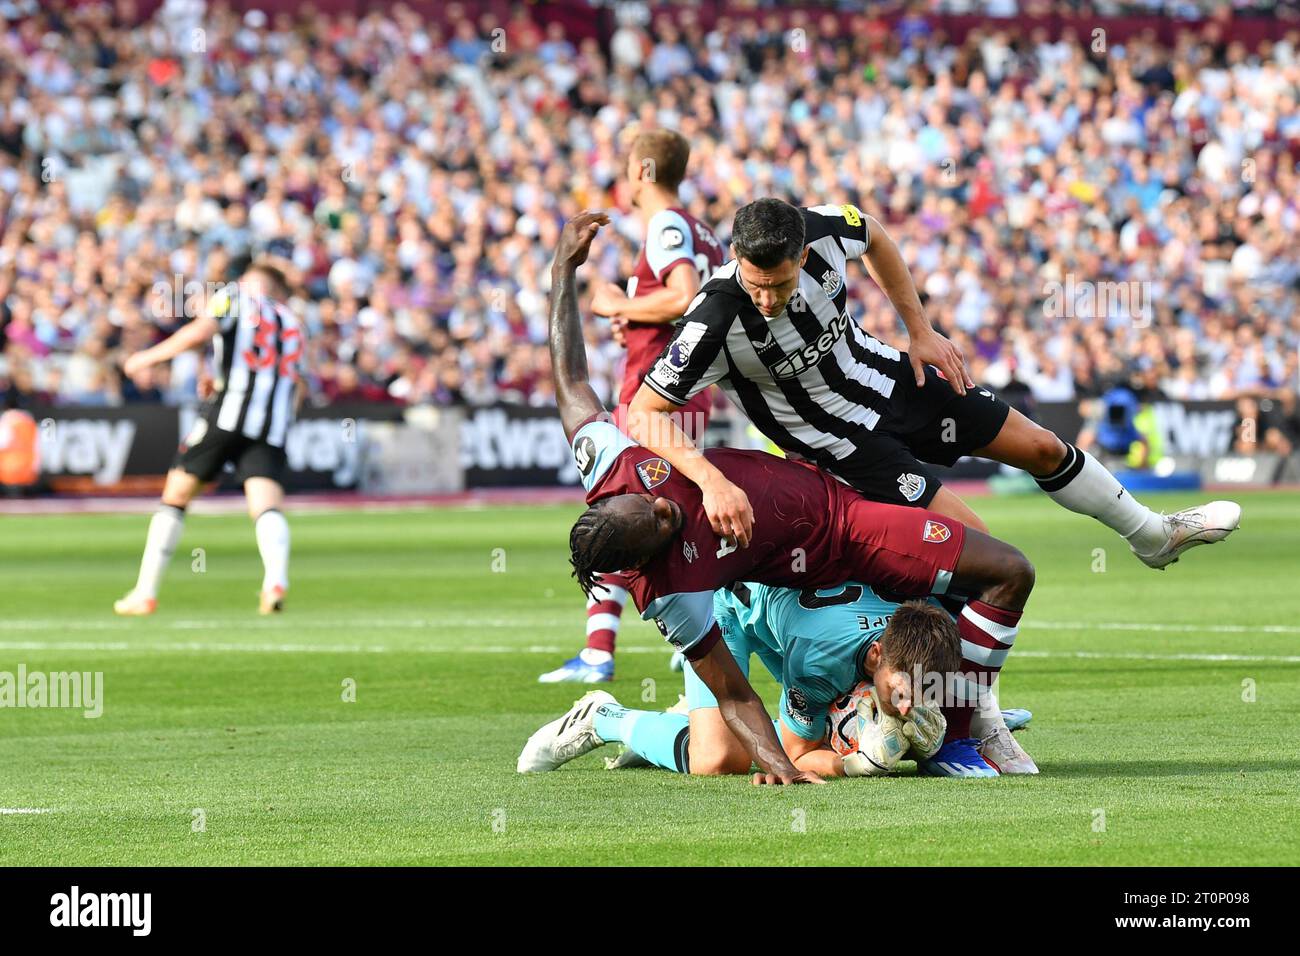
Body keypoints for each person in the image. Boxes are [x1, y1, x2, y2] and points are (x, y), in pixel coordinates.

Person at [532, 211, 1036, 785]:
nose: (664, 504)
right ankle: (610, 719)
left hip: (834, 523)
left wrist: (560, 273)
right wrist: (783, 765)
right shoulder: (672, 597)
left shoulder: (610, 464)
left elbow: (570, 380)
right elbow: (733, 693)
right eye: (660, 523)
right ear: (646, 558)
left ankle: (959, 716)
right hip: (742, 608)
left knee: (987, 569)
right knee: (718, 760)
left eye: (647, 501)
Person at [626, 197, 1240, 568]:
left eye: (780, 286)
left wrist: (917, 328)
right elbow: (642, 412)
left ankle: (1153, 536)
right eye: (756, 285)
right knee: (979, 546)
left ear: (802, 252)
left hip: (895, 378)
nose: (767, 299)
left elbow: (875, 237)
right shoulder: (714, 316)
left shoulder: (823, 228)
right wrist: (710, 480)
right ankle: (975, 714)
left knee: (1044, 448)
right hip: (844, 447)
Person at [539, 129, 725, 684]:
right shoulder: (703, 230)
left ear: (643, 170)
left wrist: (621, 302)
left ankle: (600, 652)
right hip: (689, 391)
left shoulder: (666, 224)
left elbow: (685, 296)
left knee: (621, 514)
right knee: (663, 513)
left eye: (625, 166)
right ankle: (697, 627)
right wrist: (636, 318)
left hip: (653, 394)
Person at [521, 584, 1039, 779]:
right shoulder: (820, 664)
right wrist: (853, 762)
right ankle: (608, 718)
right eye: (903, 693)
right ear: (877, 652)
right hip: (727, 612)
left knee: (845, 711)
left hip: (789, 615)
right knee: (719, 760)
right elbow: (794, 754)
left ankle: (692, 720)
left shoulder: (918, 635)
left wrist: (956, 720)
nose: (908, 707)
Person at [113, 263, 305, 616]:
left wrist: (147, 358)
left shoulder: (234, 298)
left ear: (250, 282)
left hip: (227, 415)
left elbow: (199, 332)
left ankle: (145, 592)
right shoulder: (291, 321)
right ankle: (275, 580)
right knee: (265, 506)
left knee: (175, 496)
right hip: (271, 424)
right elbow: (292, 383)